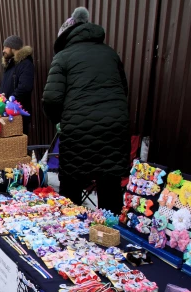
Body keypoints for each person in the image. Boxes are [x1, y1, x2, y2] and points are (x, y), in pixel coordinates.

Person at [43, 7, 130, 214]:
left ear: (64, 36)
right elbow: (123, 90)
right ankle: (111, 233)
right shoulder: (110, 53)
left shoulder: (63, 57)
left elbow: (51, 98)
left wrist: (59, 120)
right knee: (109, 186)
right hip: (114, 128)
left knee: (71, 186)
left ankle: (70, 233)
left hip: (78, 130)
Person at [0, 35, 35, 135]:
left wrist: (10, 99)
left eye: (6, 47)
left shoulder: (26, 64)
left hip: (18, 112)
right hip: (7, 112)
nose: (3, 50)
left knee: (19, 143)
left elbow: (25, 87)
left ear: (13, 48)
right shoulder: (10, 65)